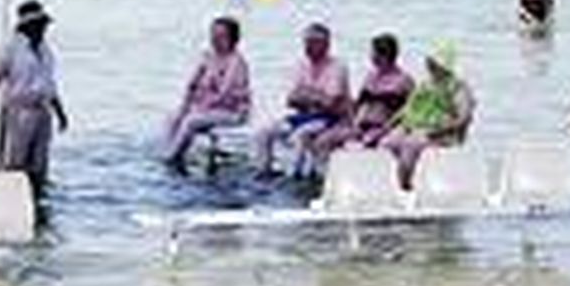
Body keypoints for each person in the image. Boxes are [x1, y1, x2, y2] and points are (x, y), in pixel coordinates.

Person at [0, 0, 69, 204]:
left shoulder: (45, 50)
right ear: (28, 25)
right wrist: (11, 92)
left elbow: (50, 83)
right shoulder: (10, 47)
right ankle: (8, 202)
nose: (43, 29)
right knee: (14, 161)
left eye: (44, 25)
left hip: (42, 110)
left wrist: (60, 112)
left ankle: (36, 199)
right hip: (18, 110)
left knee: (39, 163)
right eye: (39, 25)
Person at [252, 22, 351, 177]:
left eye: (313, 43)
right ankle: (264, 171)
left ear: (326, 45)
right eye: (306, 42)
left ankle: (295, 176)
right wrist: (315, 96)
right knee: (263, 131)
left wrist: (307, 94)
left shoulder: (337, 67)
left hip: (329, 119)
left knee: (300, 135)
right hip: (301, 116)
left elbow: (330, 103)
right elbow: (291, 99)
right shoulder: (301, 65)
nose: (308, 47)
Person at [303, 32, 415, 168]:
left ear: (385, 55)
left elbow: (409, 111)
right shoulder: (370, 76)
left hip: (384, 127)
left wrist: (385, 130)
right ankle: (322, 176)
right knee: (324, 140)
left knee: (370, 144)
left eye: (374, 54)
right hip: (361, 126)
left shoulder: (404, 80)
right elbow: (359, 104)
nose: (371, 57)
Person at [161, 16, 252, 172]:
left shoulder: (236, 62)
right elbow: (192, 84)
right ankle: (169, 151)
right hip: (206, 107)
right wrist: (185, 106)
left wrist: (199, 107)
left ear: (232, 39)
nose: (215, 39)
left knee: (191, 121)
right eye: (213, 35)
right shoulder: (207, 56)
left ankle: (172, 158)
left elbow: (224, 94)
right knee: (172, 117)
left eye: (221, 36)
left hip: (232, 111)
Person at [380, 42, 476, 190]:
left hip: (440, 132)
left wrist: (440, 131)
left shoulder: (458, 87)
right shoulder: (426, 84)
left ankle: (405, 186)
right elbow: (408, 108)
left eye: (434, 63)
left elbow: (463, 118)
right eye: (430, 62)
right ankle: (391, 184)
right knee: (387, 143)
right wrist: (391, 123)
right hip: (412, 127)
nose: (430, 65)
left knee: (410, 146)